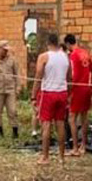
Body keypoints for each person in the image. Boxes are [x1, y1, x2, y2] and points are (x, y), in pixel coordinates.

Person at [33, 33, 70, 164]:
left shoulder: (44, 57)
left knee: (46, 124)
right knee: (60, 124)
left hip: (48, 93)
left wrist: (33, 95)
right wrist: (68, 94)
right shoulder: (65, 56)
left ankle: (45, 157)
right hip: (62, 93)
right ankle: (61, 156)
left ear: (48, 43)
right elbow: (69, 77)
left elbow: (38, 77)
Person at [64, 33, 92, 156]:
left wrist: (70, 92)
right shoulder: (85, 53)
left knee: (71, 118)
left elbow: (74, 75)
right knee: (84, 118)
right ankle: (83, 145)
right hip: (86, 88)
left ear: (68, 44)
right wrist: (91, 86)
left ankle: (75, 148)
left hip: (77, 89)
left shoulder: (73, 55)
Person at [0, 39, 22, 139]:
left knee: (13, 111)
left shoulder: (12, 60)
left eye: (7, 50)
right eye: (4, 50)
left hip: (10, 89)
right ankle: (0, 132)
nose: (6, 52)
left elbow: (17, 74)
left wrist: (18, 87)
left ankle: (15, 132)